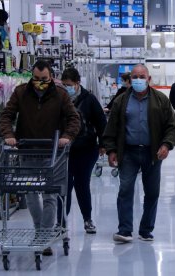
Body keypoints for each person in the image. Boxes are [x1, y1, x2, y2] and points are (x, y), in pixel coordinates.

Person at [0, 60, 80, 255]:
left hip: (53, 154)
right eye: (36, 79)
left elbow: (74, 118)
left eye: (44, 79)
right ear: (31, 76)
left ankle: (44, 237)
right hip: (27, 151)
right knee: (31, 193)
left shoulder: (60, 95)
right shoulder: (20, 92)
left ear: (51, 76)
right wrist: (8, 135)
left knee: (50, 195)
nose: (40, 82)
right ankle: (40, 232)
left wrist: (67, 137)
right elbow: (6, 115)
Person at [103, 64, 175, 243]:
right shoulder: (121, 101)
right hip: (128, 152)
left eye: (141, 76)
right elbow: (111, 127)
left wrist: (166, 145)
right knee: (125, 189)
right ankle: (125, 230)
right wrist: (111, 150)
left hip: (152, 153)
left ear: (149, 79)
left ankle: (146, 230)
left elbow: (172, 126)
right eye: (135, 77)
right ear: (130, 80)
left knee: (152, 192)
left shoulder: (161, 100)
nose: (138, 80)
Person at [57, 67, 107, 234]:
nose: (66, 87)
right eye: (63, 84)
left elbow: (101, 122)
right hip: (63, 151)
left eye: (69, 84)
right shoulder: (58, 99)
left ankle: (87, 219)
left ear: (77, 84)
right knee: (64, 186)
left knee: (81, 184)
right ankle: (61, 221)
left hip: (86, 149)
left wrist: (103, 144)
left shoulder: (89, 99)